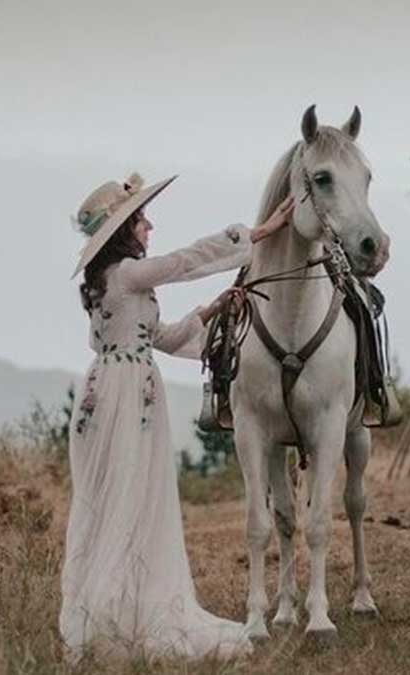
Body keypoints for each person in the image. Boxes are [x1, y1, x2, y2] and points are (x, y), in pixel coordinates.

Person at [60, 172, 293, 659]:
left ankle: (112, 608)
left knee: (119, 497)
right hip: (127, 395)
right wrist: (254, 234)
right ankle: (121, 614)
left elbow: (159, 338)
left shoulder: (109, 281)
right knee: (129, 493)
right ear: (123, 231)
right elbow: (186, 261)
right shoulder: (129, 273)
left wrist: (208, 313)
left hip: (108, 387)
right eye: (142, 220)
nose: (149, 226)